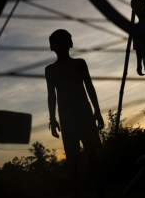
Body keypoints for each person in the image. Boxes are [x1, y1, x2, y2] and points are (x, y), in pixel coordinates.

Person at [45, 29, 105, 198]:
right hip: (65, 116)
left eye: (64, 41)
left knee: (92, 154)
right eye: (57, 42)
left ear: (71, 44)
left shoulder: (79, 63)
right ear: (51, 47)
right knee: (72, 159)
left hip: (84, 112)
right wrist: (52, 118)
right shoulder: (50, 70)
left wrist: (97, 111)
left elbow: (89, 87)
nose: (61, 44)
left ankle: (101, 193)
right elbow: (51, 95)